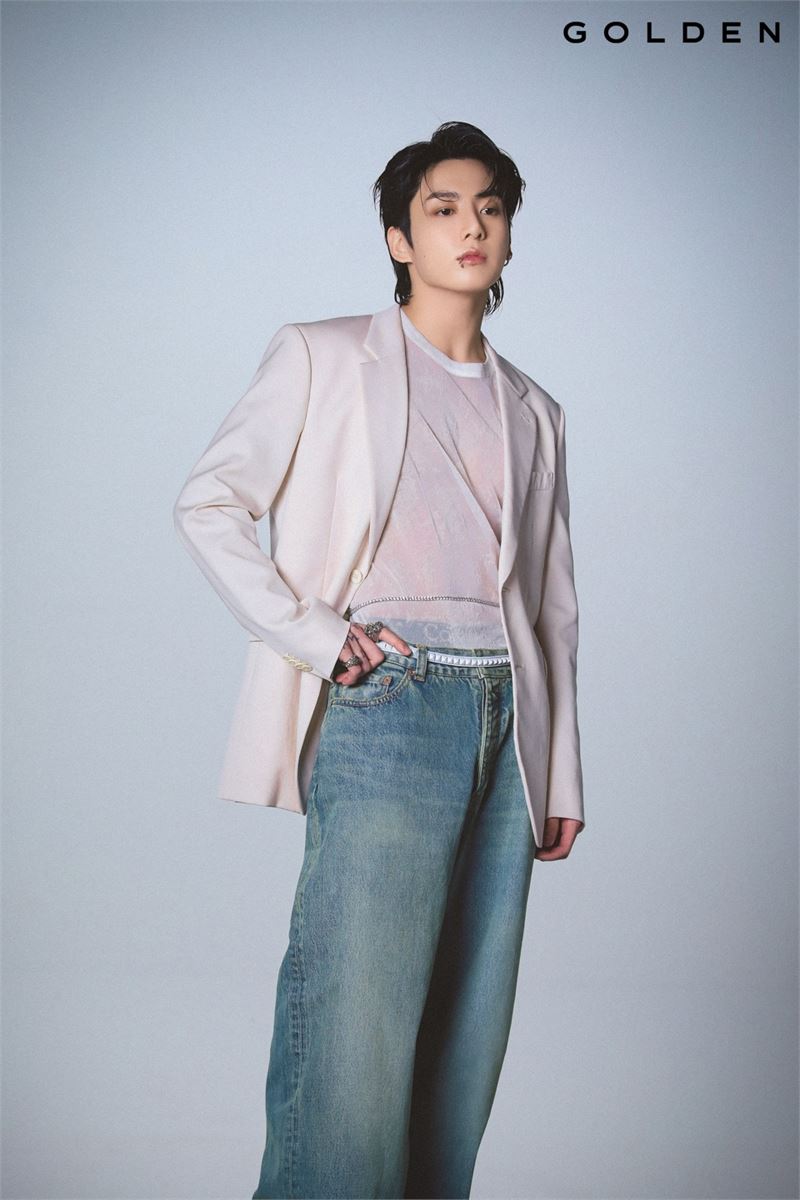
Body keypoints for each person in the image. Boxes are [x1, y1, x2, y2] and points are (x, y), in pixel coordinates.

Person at [173, 120, 585, 1200]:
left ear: (510, 233)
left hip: (509, 724)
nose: (470, 225)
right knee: (356, 1030)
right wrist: (319, 636)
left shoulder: (535, 411)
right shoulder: (322, 354)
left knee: (462, 1045)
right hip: (391, 703)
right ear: (399, 238)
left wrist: (560, 775)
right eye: (443, 208)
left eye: (489, 206)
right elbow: (209, 504)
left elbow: (552, 609)